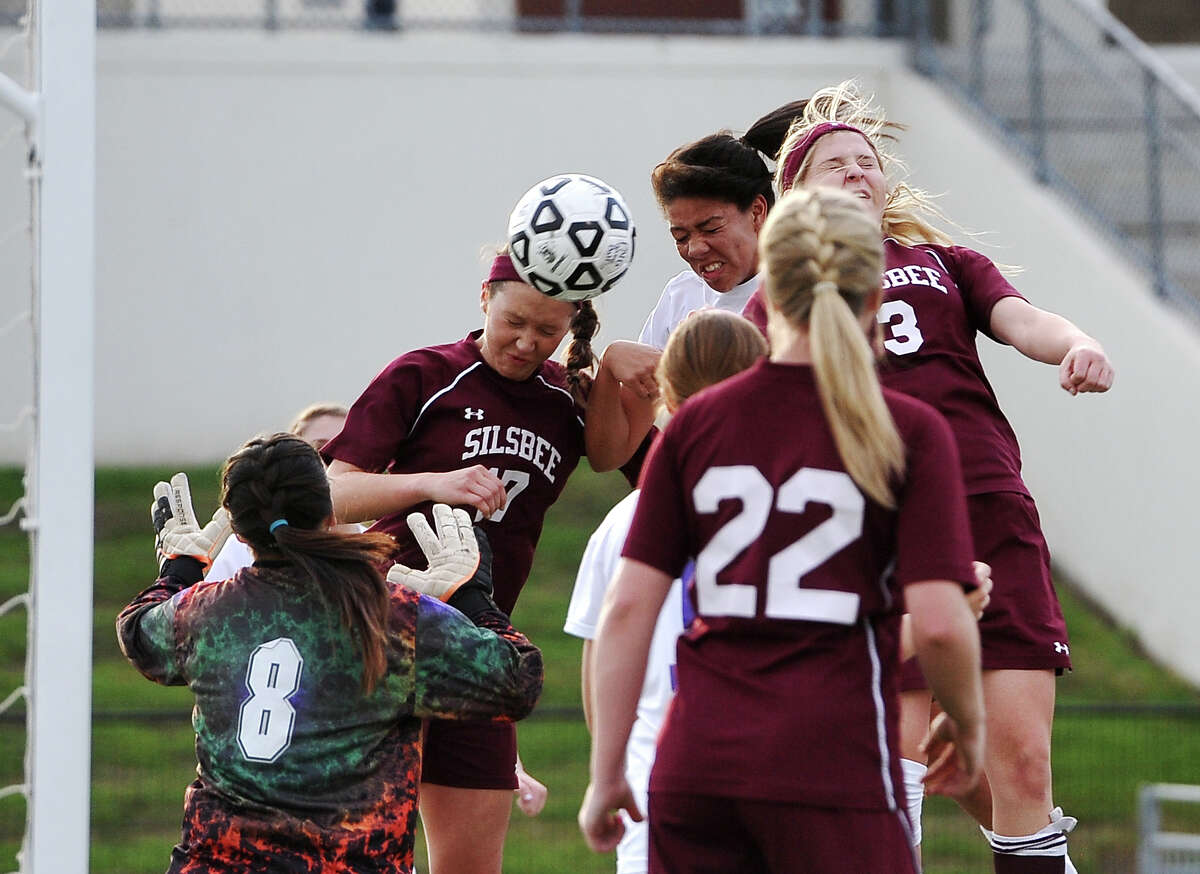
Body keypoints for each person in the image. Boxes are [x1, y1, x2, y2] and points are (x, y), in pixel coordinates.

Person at [742, 80, 1113, 872]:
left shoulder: (947, 264)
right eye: (833, 163)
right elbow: (744, 406)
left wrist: (1076, 342)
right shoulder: (781, 296)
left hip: (988, 512)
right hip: (875, 528)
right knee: (894, 771)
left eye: (866, 162)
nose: (856, 172)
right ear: (796, 195)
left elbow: (1025, 322)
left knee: (1022, 768)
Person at [579, 187, 986, 873]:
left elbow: (626, 610)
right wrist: (969, 726)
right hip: (834, 763)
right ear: (871, 294)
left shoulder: (696, 426)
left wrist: (608, 770)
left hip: (700, 762)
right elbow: (942, 625)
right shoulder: (906, 430)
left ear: (774, 283)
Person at [321, 245, 658, 874]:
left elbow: (653, 471)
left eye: (548, 330)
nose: (529, 343)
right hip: (374, 638)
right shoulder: (425, 374)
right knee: (352, 858)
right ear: (485, 298)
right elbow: (331, 493)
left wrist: (620, 376)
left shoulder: (565, 400)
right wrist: (431, 482)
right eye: (514, 322)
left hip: (474, 653)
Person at [116, 434, 543, 873]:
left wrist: (180, 568)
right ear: (332, 514)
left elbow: (137, 632)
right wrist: (471, 597)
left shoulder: (204, 611)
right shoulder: (392, 616)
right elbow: (518, 681)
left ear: (240, 535)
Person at [565, 309, 768, 874]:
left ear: (666, 397)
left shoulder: (627, 517)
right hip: (780, 762)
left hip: (662, 772)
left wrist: (608, 770)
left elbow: (600, 651)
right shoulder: (800, 495)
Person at [638, 104, 806, 350]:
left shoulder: (804, 294)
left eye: (711, 229)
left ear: (757, 211)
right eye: (681, 237)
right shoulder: (680, 295)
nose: (694, 249)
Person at [205, 403, 353, 582]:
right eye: (319, 452)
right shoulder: (236, 552)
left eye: (349, 453)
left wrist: (176, 575)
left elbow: (188, 607)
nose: (333, 467)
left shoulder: (383, 550)